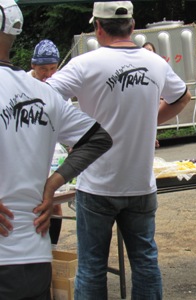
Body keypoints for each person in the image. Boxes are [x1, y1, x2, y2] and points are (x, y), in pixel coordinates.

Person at [47, 1, 191, 299]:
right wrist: (149, 120)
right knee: (145, 263)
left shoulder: (85, 64)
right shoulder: (156, 63)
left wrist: (74, 132)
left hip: (97, 185)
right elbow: (182, 97)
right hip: (140, 186)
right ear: (133, 26)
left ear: (98, 28)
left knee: (91, 267)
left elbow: (42, 99)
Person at [0, 0, 112, 299]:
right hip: (33, 255)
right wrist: (53, 184)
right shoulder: (43, 94)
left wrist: (52, 184)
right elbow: (98, 138)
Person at [28, 38, 64, 247]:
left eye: (53, 68)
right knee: (32, 204)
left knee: (55, 205)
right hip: (29, 154)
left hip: (53, 154)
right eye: (43, 69)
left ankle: (52, 250)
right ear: (33, 66)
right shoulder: (21, 84)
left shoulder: (58, 85)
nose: (49, 74)